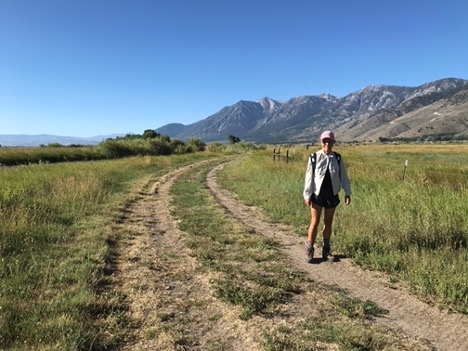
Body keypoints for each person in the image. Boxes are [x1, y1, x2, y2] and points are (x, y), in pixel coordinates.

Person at [303, 130, 351, 263]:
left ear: (333, 142)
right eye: (325, 141)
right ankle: (310, 248)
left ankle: (326, 249)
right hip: (317, 195)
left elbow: (344, 177)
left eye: (329, 141)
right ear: (321, 142)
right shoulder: (314, 157)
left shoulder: (338, 158)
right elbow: (309, 178)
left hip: (332, 195)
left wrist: (347, 192)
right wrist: (307, 195)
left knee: (328, 222)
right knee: (314, 221)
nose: (327, 144)